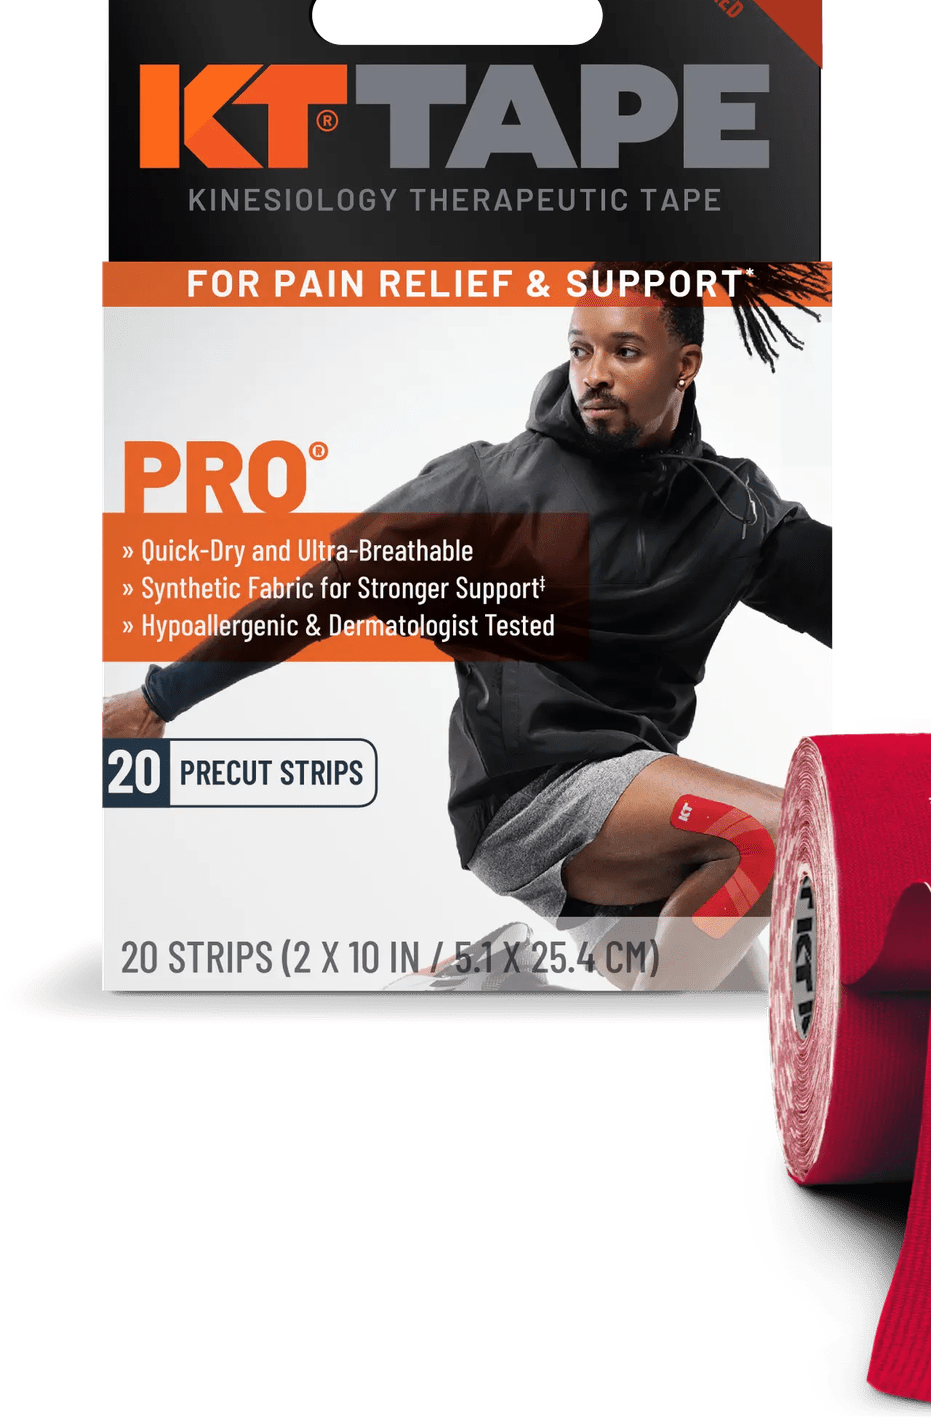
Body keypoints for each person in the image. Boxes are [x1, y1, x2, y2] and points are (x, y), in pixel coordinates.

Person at [101, 263, 833, 991]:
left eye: (625, 352)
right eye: (580, 350)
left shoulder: (735, 510)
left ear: (686, 364)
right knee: (772, 833)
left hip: (633, 815)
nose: (595, 375)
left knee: (744, 1024)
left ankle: (501, 994)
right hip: (533, 788)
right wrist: (162, 697)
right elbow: (322, 595)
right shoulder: (493, 485)